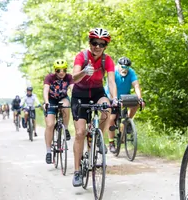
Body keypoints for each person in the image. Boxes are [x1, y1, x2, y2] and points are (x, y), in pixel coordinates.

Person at [71, 28, 117, 187]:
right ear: (90, 43)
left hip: (97, 92)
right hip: (79, 94)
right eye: (94, 42)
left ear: (105, 46)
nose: (97, 46)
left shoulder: (107, 60)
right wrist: (84, 71)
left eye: (101, 44)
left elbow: (111, 81)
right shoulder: (81, 56)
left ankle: (99, 138)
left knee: (107, 107)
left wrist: (115, 98)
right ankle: (77, 172)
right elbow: (74, 78)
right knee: (80, 133)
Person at [104, 56, 145, 153]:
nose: (124, 69)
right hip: (111, 96)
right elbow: (111, 85)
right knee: (112, 118)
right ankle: (111, 143)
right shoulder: (113, 72)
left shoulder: (131, 72)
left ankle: (127, 122)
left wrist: (140, 99)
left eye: (126, 67)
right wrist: (114, 99)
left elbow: (136, 86)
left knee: (136, 103)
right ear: (119, 66)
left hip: (124, 96)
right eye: (122, 67)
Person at [43, 59, 74, 164]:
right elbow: (46, 90)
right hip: (51, 99)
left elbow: (72, 88)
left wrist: (76, 100)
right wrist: (46, 102)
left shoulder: (69, 77)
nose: (61, 73)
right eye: (58, 70)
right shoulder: (49, 77)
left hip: (63, 98)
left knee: (66, 105)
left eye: (63, 70)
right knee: (50, 125)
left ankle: (65, 128)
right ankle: (48, 152)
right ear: (55, 71)